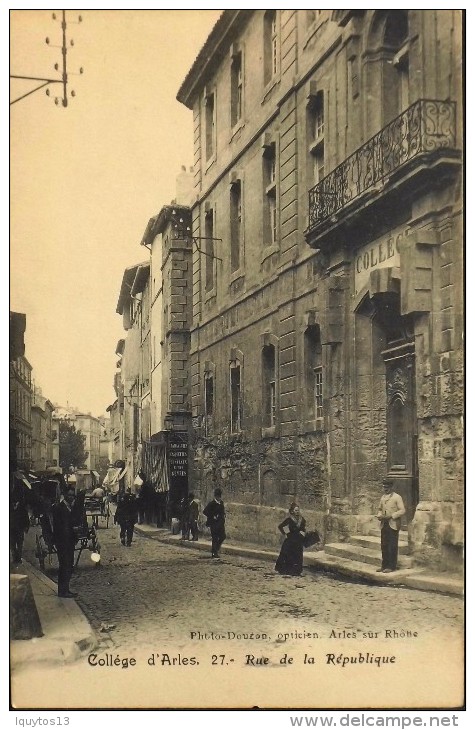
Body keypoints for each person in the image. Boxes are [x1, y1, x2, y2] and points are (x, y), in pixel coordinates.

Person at [52, 485, 86, 598]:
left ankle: (66, 589)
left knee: (69, 565)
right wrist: (72, 529)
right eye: (69, 495)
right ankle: (62, 591)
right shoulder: (59, 508)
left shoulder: (70, 508)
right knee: (64, 566)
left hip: (69, 541)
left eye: (73, 495)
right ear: (65, 495)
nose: (71, 497)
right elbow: (58, 527)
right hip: (62, 542)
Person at [376, 477, 406, 573]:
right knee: (384, 545)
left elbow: (402, 510)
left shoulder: (397, 497)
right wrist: (379, 515)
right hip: (384, 524)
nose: (385, 489)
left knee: (392, 545)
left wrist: (392, 516)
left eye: (387, 487)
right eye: (384, 487)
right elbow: (380, 509)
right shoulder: (383, 497)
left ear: (391, 487)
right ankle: (384, 565)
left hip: (393, 524)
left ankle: (391, 566)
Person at [275, 503, 307, 576]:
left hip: (298, 541)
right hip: (290, 541)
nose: (297, 512)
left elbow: (303, 529)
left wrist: (303, 532)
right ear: (292, 511)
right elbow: (281, 526)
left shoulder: (302, 520)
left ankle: (296, 571)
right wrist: (287, 533)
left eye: (298, 510)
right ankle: (286, 570)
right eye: (296, 510)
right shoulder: (289, 520)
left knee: (297, 556)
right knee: (287, 555)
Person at [10, 475, 30, 565]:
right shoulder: (9, 508)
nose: (14, 503)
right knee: (12, 544)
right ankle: (15, 557)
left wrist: (26, 526)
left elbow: (25, 517)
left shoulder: (22, 507)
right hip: (11, 528)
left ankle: (18, 558)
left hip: (19, 528)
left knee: (20, 543)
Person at [203, 488, 226, 558]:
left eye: (219, 496)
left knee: (223, 536)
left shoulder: (221, 503)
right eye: (217, 496)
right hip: (214, 524)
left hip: (221, 523)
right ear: (215, 496)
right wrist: (212, 516)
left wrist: (224, 515)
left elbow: (222, 511)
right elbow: (205, 511)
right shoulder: (212, 504)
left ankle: (217, 547)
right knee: (215, 538)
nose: (219, 498)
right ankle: (214, 552)